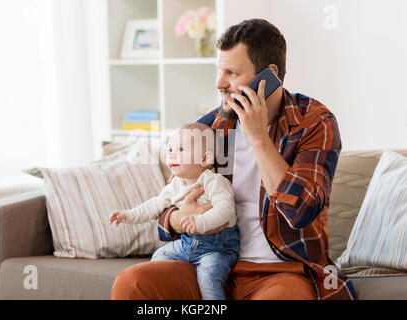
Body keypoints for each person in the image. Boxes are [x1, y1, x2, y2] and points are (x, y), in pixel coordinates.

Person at [112, 19, 357, 300]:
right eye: (219, 71)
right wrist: (182, 218)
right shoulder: (210, 127)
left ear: (268, 76)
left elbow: (301, 211)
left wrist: (258, 138)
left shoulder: (314, 122)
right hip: (209, 262)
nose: (219, 84)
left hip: (283, 271)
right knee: (131, 283)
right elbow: (166, 214)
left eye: (231, 72)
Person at [109, 123, 239, 300]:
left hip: (217, 249)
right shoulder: (176, 183)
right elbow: (155, 205)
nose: (172, 154)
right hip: (187, 244)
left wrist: (200, 221)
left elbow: (226, 209)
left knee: (208, 279)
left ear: (204, 159)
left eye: (181, 149)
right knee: (159, 256)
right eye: (170, 149)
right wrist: (129, 215)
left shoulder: (214, 181)